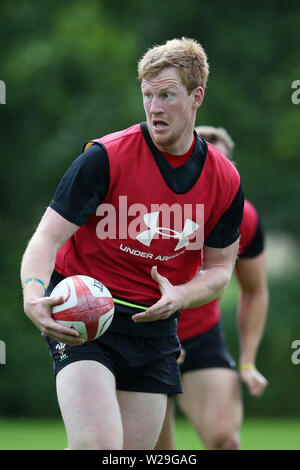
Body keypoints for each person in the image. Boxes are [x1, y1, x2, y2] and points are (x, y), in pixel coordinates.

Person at [20, 38, 244, 450]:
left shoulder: (224, 179)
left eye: (167, 95)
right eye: (147, 95)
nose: (154, 107)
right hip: (84, 318)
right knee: (97, 446)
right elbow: (47, 238)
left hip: (154, 331)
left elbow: (218, 271)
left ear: (196, 97)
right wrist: (34, 294)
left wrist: (180, 294)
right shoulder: (105, 157)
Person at [155, 126, 269, 451]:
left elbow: (255, 290)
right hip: (144, 335)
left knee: (226, 442)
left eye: (224, 165)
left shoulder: (243, 218)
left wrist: (247, 362)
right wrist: (157, 340)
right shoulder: (151, 209)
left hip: (202, 336)